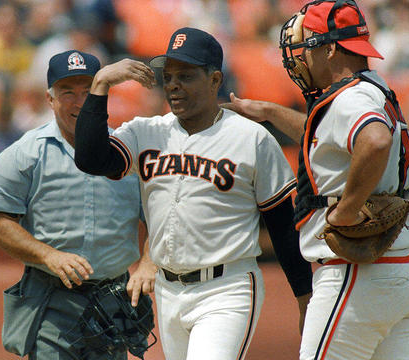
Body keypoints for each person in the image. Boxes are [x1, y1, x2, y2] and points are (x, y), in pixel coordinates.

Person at [74, 27, 313, 360]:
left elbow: (282, 225)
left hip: (226, 288)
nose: (172, 85)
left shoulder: (251, 138)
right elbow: (90, 159)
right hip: (168, 291)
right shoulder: (146, 131)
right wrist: (100, 85)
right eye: (168, 76)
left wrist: (305, 297)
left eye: (185, 76)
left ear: (215, 80)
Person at [223, 1, 409, 359]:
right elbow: (328, 137)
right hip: (399, 268)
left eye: (307, 48)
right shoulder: (373, 87)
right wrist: (271, 112)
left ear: (331, 48)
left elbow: (375, 139)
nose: (299, 57)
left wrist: (345, 210)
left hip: (356, 277)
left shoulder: (351, 97)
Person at [0, 50, 156, 359]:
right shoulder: (24, 154)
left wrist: (149, 262)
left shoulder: (128, 154)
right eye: (68, 92)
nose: (79, 102)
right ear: (50, 99)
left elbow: (161, 217)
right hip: (52, 299)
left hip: (114, 300)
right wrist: (49, 255)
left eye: (89, 91)